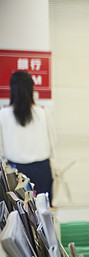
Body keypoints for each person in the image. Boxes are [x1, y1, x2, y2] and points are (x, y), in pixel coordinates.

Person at [0, 71, 57, 206]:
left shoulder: (3, 114)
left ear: (12, 90)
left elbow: (1, 149)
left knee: (19, 215)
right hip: (42, 169)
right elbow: (53, 141)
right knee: (43, 213)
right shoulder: (44, 112)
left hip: (14, 172)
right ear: (31, 89)